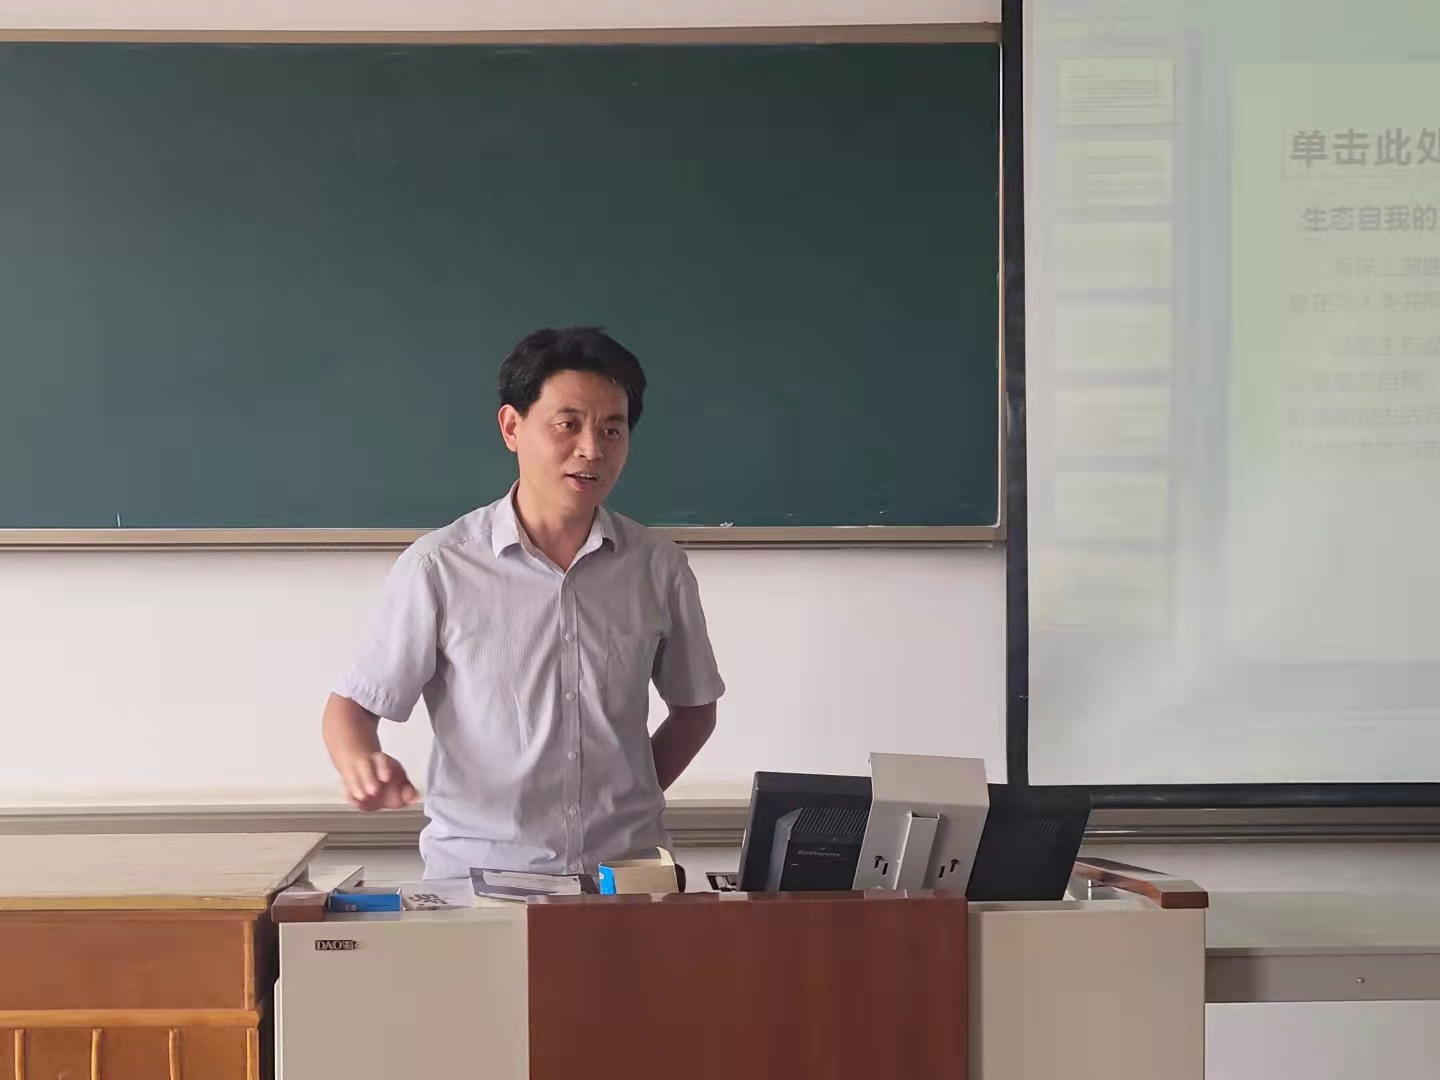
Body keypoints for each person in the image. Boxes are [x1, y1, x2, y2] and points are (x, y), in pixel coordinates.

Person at [321, 327, 725, 879]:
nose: (592, 450)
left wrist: (631, 791)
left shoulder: (657, 566)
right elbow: (352, 707)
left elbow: (695, 708)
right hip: (480, 882)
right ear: (512, 427)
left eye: (612, 430)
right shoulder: (440, 567)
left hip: (626, 878)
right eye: (568, 425)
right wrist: (360, 762)